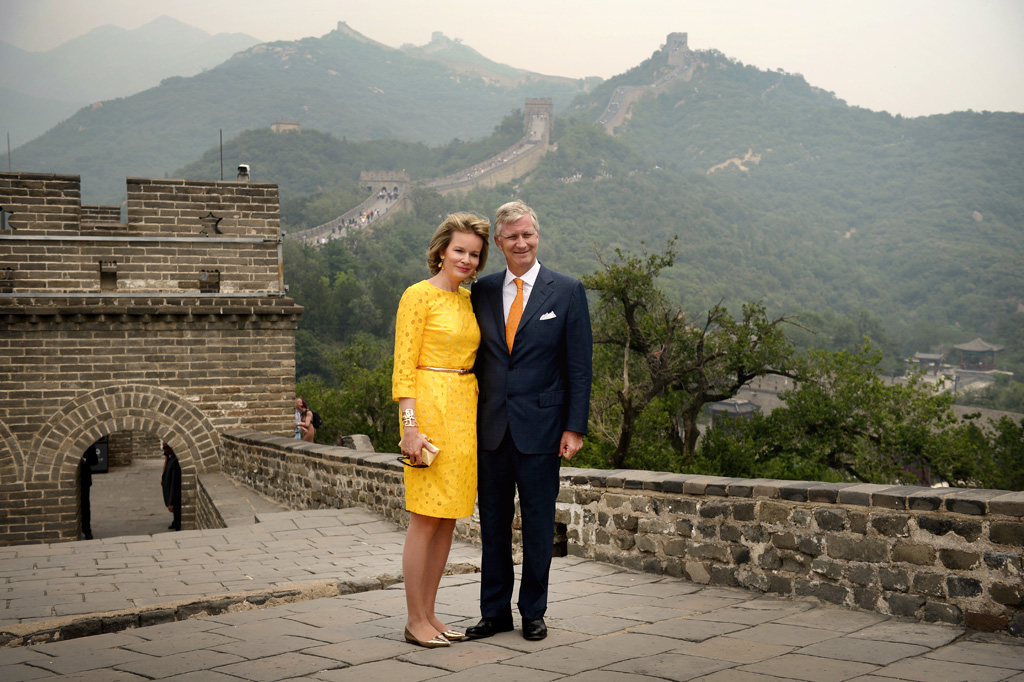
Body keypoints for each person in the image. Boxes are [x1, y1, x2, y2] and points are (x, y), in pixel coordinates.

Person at [467, 200, 593, 641]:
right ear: (498, 242)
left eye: (528, 235)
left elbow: (579, 365)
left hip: (543, 430)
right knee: (493, 527)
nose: (521, 242)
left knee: (539, 525)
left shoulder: (567, 290)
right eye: (512, 236)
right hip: (492, 429)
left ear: (537, 237)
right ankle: (494, 611)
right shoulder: (481, 290)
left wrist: (574, 427)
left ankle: (533, 611)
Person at [392, 212, 490, 648]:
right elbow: (403, 369)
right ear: (441, 251)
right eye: (459, 251)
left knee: (449, 519)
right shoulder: (417, 296)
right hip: (429, 408)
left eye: (474, 253)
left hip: (465, 411)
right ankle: (414, 619)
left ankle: (431, 613)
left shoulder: (470, 300)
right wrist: (409, 429)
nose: (466, 259)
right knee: (425, 519)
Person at [161, 443, 182, 531]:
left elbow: (174, 482)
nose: (165, 450)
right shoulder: (169, 457)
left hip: (174, 489)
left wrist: (170, 503)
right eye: (164, 448)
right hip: (169, 486)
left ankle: (178, 525)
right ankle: (175, 522)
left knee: (176, 507)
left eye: (167, 448)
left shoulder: (175, 461)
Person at [80, 445, 99, 540]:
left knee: (85, 505)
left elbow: (95, 461)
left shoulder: (89, 445)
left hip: (84, 479)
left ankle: (87, 530)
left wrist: (84, 460)